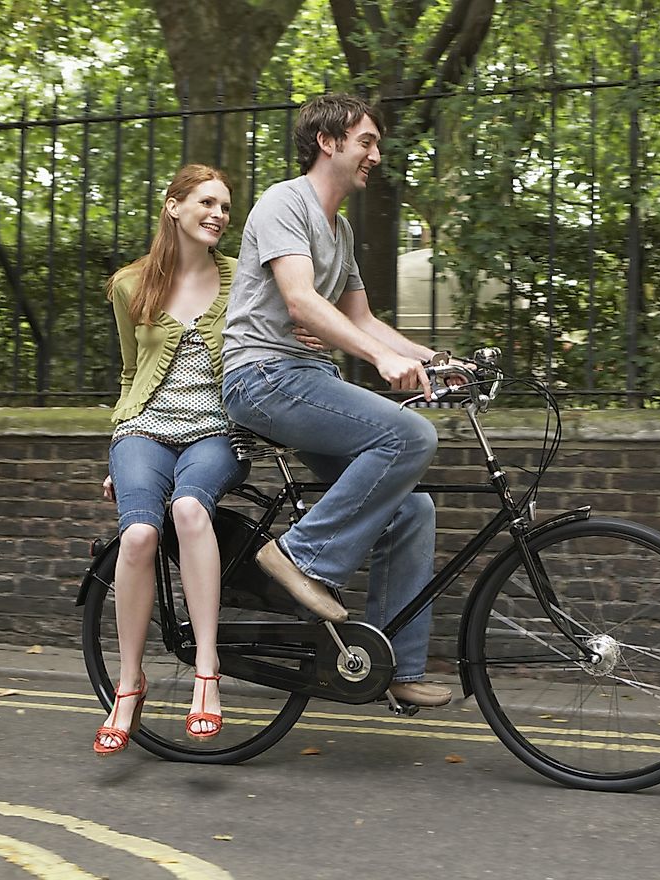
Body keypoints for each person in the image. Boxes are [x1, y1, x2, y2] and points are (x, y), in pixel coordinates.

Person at [221, 93, 453, 708]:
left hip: (305, 379)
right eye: (367, 141)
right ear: (329, 142)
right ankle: (300, 560)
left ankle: (395, 669)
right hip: (262, 377)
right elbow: (300, 301)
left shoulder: (340, 228)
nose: (375, 154)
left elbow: (360, 315)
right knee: (409, 436)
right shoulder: (284, 202)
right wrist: (380, 361)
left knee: (413, 511)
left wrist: (435, 360)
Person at [95, 163, 250, 754]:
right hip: (144, 430)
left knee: (189, 510)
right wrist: (122, 453)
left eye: (226, 207)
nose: (218, 215)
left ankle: (206, 672)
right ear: (174, 207)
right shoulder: (130, 286)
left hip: (216, 432)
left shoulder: (243, 280)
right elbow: (132, 374)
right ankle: (129, 683)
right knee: (136, 537)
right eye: (207, 202)